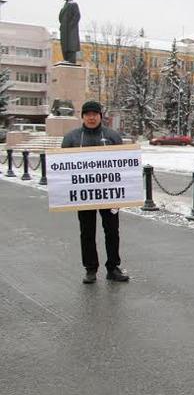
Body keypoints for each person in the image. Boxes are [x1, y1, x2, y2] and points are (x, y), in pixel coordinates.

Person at [61, 100, 129, 283]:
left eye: (95, 114)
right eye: (87, 114)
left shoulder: (113, 136)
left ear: (100, 116)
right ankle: (90, 268)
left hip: (109, 195)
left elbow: (123, 166)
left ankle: (113, 267)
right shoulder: (72, 138)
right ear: (82, 116)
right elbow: (63, 169)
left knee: (112, 231)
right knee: (87, 231)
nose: (91, 117)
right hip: (84, 195)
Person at [59, 0, 80, 64]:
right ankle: (66, 59)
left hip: (70, 29)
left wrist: (71, 26)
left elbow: (77, 16)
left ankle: (71, 60)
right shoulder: (64, 5)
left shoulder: (73, 4)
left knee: (71, 45)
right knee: (64, 45)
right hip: (64, 29)